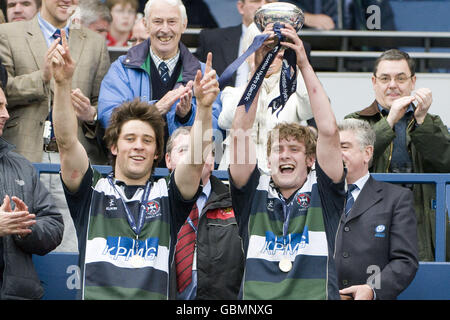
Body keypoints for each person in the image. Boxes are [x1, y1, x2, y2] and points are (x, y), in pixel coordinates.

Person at [50, 27, 219, 299]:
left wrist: (206, 108)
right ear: (114, 146)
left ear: (156, 153)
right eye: (130, 138)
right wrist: (61, 85)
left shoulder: (168, 195)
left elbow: (197, 157)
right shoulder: (91, 192)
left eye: (147, 140)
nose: (139, 145)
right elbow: (67, 141)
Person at [228, 23, 345, 299]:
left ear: (310, 160)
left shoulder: (324, 193)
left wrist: (302, 61)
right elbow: (240, 134)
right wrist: (260, 62)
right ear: (267, 161)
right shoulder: (252, 193)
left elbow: (328, 130)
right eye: (278, 149)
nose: (285, 155)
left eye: (294, 149)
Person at [0, 0, 111, 252]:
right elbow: (3, 90)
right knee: (15, 239)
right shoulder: (8, 33)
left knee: (72, 246)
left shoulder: (95, 42)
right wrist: (44, 76)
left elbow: (101, 104)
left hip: (72, 159)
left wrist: (90, 113)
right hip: (23, 156)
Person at [345, 49, 450, 262]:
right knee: (373, 282)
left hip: (422, 222)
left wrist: (421, 119)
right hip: (371, 218)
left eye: (401, 78)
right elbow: (349, 166)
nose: (393, 85)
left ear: (413, 81)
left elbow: (446, 162)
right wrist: (389, 121)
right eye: (385, 78)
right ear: (374, 82)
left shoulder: (431, 122)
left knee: (425, 286)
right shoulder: (355, 121)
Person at [98, 0, 222, 168]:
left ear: (183, 25)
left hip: (186, 177)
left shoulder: (203, 73)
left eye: (172, 22)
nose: (165, 29)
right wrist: (153, 110)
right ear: (146, 24)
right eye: (157, 21)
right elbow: (108, 119)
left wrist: (187, 116)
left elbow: (215, 133)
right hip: (133, 173)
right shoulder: (122, 69)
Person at [335, 118, 418, 300]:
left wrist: (372, 290)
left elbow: (404, 261)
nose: (336, 153)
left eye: (345, 147)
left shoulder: (396, 199)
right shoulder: (315, 196)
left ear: (367, 153)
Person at [0, 66, 64, 300]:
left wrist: (25, 228)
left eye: (5, 106)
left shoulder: (22, 166)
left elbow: (55, 225)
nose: (6, 114)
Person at [218, 22, 313, 173]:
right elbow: (226, 119)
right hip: (235, 180)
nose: (270, 57)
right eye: (262, 49)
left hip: (278, 179)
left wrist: (295, 61)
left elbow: (309, 109)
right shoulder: (232, 92)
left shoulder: (293, 96)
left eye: (275, 50)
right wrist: (257, 70)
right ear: (247, 53)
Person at [165, 127, 244, 300]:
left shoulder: (237, 205)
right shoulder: (154, 201)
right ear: (168, 160)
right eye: (184, 150)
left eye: (202, 151)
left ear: (214, 160)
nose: (194, 158)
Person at [195, 0, 276, 88]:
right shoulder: (212, 39)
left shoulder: (286, 42)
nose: (263, 5)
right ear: (241, 7)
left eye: (269, 1)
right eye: (255, 1)